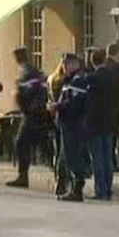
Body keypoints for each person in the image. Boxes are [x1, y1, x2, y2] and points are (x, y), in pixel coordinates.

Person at [6, 46, 49, 189]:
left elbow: (38, 93)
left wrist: (30, 108)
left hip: (33, 115)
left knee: (23, 143)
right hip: (32, 114)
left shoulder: (30, 72)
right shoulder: (28, 71)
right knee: (34, 145)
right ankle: (23, 176)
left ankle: (23, 176)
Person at [49, 54, 88, 202]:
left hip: (74, 123)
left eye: (66, 64)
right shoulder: (69, 80)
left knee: (73, 155)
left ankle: (77, 188)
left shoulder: (78, 81)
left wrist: (57, 106)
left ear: (74, 64)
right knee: (68, 155)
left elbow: (75, 103)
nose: (64, 67)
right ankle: (72, 186)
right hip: (66, 123)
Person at [86, 48, 117, 200]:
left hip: (96, 123)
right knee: (108, 157)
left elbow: (89, 102)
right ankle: (109, 188)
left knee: (97, 157)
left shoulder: (92, 78)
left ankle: (100, 189)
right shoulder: (112, 77)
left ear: (92, 62)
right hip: (109, 121)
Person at [48, 57, 71, 196]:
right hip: (64, 117)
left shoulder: (52, 79)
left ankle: (59, 180)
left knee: (58, 150)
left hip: (54, 117)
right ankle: (63, 181)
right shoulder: (64, 82)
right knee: (64, 151)